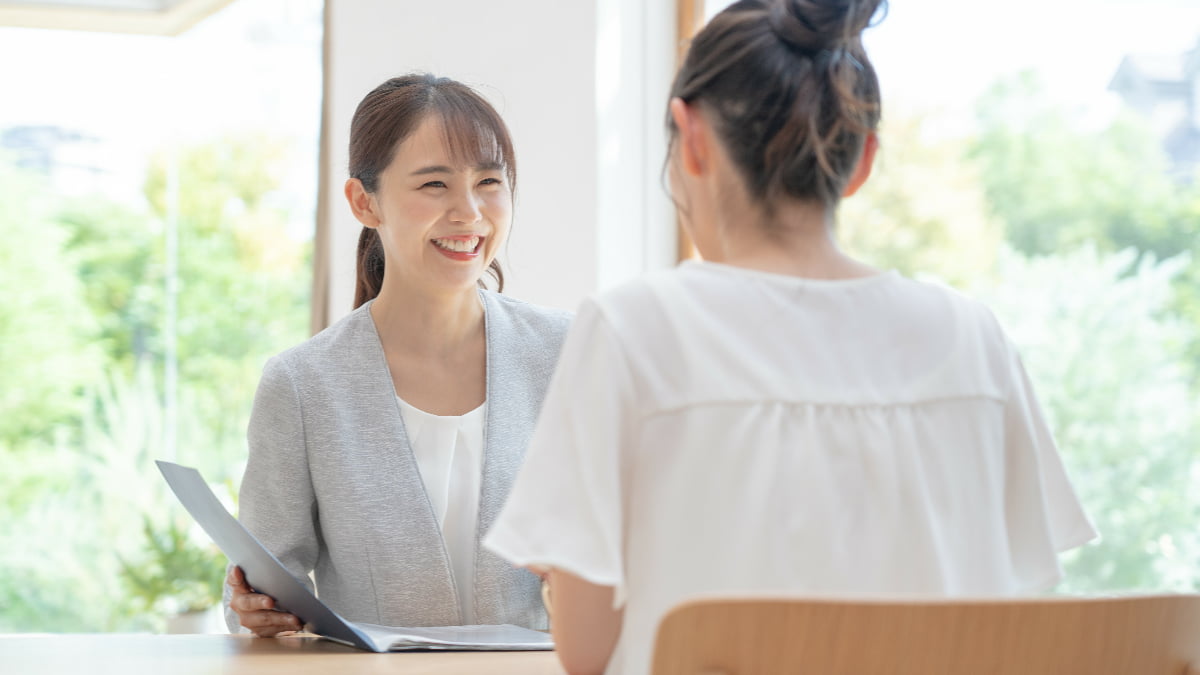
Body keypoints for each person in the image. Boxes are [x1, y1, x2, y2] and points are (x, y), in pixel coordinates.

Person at [483, 1, 1097, 673]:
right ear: (862, 159)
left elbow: (588, 651)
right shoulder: (972, 338)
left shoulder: (633, 329)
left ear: (691, 138)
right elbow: (1009, 619)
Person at [224, 73, 570, 636]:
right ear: (365, 202)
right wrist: (254, 613)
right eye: (434, 184)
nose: (469, 212)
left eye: (489, 181)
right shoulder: (302, 383)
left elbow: (631, 557)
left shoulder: (568, 353)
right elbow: (258, 594)